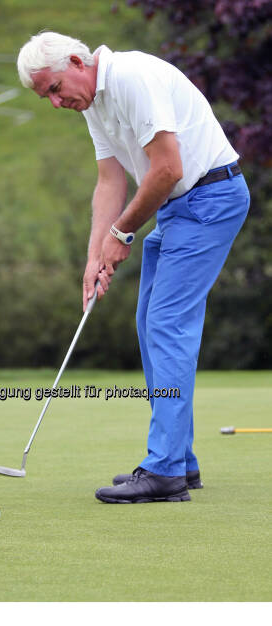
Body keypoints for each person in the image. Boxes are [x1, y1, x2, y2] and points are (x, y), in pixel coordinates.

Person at [17, 32, 250, 504]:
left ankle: (163, 470)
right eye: (47, 97)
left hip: (210, 198)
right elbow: (110, 180)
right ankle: (179, 462)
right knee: (149, 324)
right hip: (176, 209)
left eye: (55, 89)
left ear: (78, 61)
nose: (56, 102)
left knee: (167, 323)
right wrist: (94, 254)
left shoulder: (131, 77)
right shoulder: (94, 104)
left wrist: (121, 235)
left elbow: (166, 168)